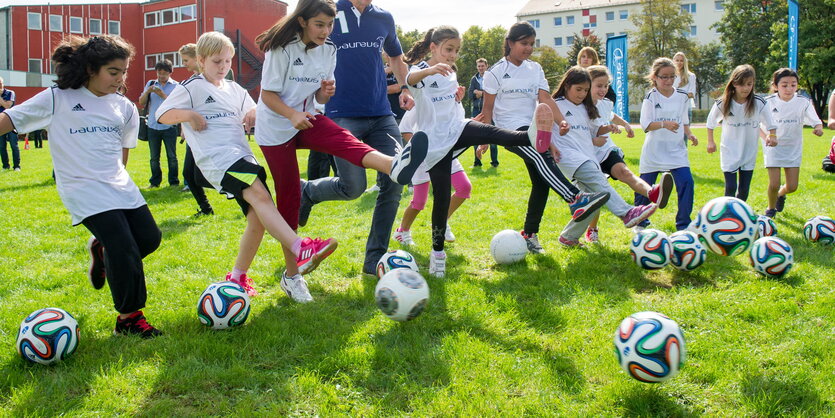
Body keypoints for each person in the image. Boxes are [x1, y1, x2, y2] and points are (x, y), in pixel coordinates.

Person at [1, 35, 163, 337]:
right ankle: (129, 319)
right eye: (113, 72)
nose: (120, 79)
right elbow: (9, 119)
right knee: (123, 248)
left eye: (124, 72)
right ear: (91, 69)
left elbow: (122, 151)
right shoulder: (58, 97)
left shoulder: (124, 107)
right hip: (81, 189)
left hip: (118, 185)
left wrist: (119, 183)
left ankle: (102, 251)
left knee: (149, 239)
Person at [157, 31, 338, 301]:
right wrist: (189, 115)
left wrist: (255, 113)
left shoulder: (234, 89)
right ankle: (301, 248)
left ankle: (238, 276)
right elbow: (162, 115)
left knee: (258, 218)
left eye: (228, 61)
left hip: (241, 156)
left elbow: (253, 110)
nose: (223, 67)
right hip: (218, 159)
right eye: (217, 62)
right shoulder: (191, 87)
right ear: (202, 60)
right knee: (260, 196)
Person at [253, 0, 428, 274]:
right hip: (303, 122)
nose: (325, 30)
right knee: (326, 193)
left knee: (371, 165)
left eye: (328, 25)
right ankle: (295, 259)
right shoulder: (297, 36)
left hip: (347, 115)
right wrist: (292, 113)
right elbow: (269, 93)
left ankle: (375, 254)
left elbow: (393, 57)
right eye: (320, 25)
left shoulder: (354, 35)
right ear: (305, 22)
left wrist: (325, 92)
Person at [403, 25, 575, 276]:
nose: (452, 55)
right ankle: (437, 252)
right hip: (435, 142)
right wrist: (430, 69)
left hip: (456, 128)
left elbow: (443, 102)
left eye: (456, 51)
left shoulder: (451, 71)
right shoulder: (420, 70)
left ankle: (530, 134)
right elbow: (409, 81)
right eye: (448, 49)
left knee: (489, 131)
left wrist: (457, 97)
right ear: (433, 47)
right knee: (441, 198)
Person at [476, 22, 610, 254]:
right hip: (509, 130)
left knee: (541, 182)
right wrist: (484, 139)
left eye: (531, 44)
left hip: (534, 129)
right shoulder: (494, 72)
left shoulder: (535, 69)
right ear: (510, 43)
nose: (528, 48)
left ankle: (529, 233)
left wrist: (561, 122)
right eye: (523, 43)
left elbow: (545, 99)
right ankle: (575, 199)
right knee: (541, 156)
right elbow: (487, 109)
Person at [549, 66, 658, 247]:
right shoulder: (555, 104)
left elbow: (594, 130)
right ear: (567, 85)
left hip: (587, 157)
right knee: (600, 181)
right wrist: (550, 145)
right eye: (579, 89)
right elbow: (539, 126)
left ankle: (569, 237)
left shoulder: (585, 107)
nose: (582, 94)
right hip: (568, 157)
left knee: (595, 200)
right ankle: (627, 213)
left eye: (585, 90)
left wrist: (608, 128)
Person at [583, 65, 673, 243]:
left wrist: (625, 124)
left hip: (606, 149)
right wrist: (593, 140)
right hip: (587, 155)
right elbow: (576, 132)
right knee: (598, 194)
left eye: (606, 85)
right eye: (599, 86)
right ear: (588, 85)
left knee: (625, 172)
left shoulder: (606, 103)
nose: (603, 90)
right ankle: (591, 229)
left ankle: (653, 193)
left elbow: (610, 114)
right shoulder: (579, 107)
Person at [634, 58, 699, 232]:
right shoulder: (650, 96)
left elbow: (684, 121)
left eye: (672, 76)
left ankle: (684, 224)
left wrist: (690, 134)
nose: (669, 81)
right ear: (655, 77)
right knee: (644, 187)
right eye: (664, 77)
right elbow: (645, 125)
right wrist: (664, 124)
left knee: (687, 182)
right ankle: (640, 222)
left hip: (676, 150)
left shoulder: (683, 96)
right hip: (654, 151)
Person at [394, 109, 472, 246]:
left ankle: (442, 222)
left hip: (444, 152)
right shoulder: (420, 100)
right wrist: (421, 149)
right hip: (422, 156)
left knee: (464, 187)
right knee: (419, 202)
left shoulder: (453, 99)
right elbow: (405, 130)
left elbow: (457, 126)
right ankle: (402, 231)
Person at [705, 64, 776, 202]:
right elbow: (710, 123)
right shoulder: (723, 102)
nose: (746, 88)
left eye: (749, 84)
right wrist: (710, 142)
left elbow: (770, 123)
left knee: (744, 190)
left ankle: (739, 218)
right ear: (734, 83)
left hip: (749, 152)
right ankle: (727, 214)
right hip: (729, 150)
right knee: (730, 187)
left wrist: (772, 136)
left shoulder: (759, 102)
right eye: (742, 84)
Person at [761, 68, 824, 217]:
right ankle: (771, 209)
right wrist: (767, 138)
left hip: (793, 148)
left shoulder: (803, 102)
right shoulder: (767, 102)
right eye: (784, 85)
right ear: (775, 86)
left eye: (793, 85)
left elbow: (816, 121)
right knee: (774, 183)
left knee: (792, 186)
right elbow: (756, 124)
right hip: (773, 148)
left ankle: (781, 195)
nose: (789, 89)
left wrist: (818, 128)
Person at [176, 43, 217, 217]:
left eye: (186, 60)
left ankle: (242, 193)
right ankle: (206, 209)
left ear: (197, 58)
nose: (183, 64)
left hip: (207, 134)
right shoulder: (190, 81)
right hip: (194, 134)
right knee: (190, 174)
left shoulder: (211, 78)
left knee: (198, 175)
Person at [139, 59, 179, 188]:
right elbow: (141, 102)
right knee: (154, 158)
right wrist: (147, 92)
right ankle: (154, 182)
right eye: (159, 72)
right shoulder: (151, 83)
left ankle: (173, 182)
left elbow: (176, 104)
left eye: (164, 73)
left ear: (170, 73)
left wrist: (162, 94)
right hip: (152, 125)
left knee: (172, 156)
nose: (161, 76)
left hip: (169, 126)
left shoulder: (176, 86)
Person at [469, 58, 497, 167]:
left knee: (492, 136)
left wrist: (481, 93)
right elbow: (470, 95)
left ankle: (494, 162)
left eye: (482, 66)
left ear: (487, 66)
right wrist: (477, 93)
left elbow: (495, 94)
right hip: (477, 111)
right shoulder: (474, 79)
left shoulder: (492, 78)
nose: (481, 68)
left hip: (490, 111)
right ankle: (477, 162)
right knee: (475, 137)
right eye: (479, 66)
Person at [673, 51, 697, 137]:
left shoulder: (691, 76)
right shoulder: (670, 76)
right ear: (674, 61)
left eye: (681, 60)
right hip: (671, 108)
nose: (679, 63)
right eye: (677, 60)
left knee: (684, 136)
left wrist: (676, 93)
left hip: (685, 108)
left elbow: (691, 94)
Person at [0, 77, 20, 171]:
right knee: (1, 146)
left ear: (3, 83)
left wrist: (0, 99)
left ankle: (16, 166)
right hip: (0, 123)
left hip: (11, 121)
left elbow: (7, 106)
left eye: (0, 83)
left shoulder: (10, 93)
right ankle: (5, 165)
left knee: (13, 145)